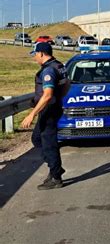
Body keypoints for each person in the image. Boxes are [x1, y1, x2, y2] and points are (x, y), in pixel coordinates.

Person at [21, 43, 70, 190]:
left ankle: (56, 177)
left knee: (48, 143)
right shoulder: (59, 65)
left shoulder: (49, 70)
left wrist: (31, 114)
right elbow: (67, 84)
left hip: (48, 111)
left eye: (35, 54)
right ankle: (56, 168)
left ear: (41, 53)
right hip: (54, 108)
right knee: (37, 139)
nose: (35, 57)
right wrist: (59, 98)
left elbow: (47, 95)